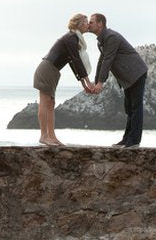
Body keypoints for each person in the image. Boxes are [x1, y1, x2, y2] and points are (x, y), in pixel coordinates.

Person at [86, 13, 148, 148]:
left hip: (136, 72)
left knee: (136, 107)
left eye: (91, 22)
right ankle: (127, 139)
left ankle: (134, 140)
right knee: (129, 108)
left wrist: (101, 83)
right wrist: (97, 82)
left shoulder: (111, 37)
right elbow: (101, 61)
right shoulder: (101, 40)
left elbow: (108, 60)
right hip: (127, 77)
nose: (88, 25)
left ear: (100, 24)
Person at [33, 13, 94, 146]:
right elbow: (77, 60)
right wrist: (88, 82)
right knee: (45, 102)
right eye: (85, 22)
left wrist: (83, 83)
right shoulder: (71, 38)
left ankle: (52, 136)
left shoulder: (74, 38)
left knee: (51, 103)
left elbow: (73, 62)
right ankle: (44, 136)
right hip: (46, 69)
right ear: (79, 25)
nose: (88, 25)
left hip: (52, 71)